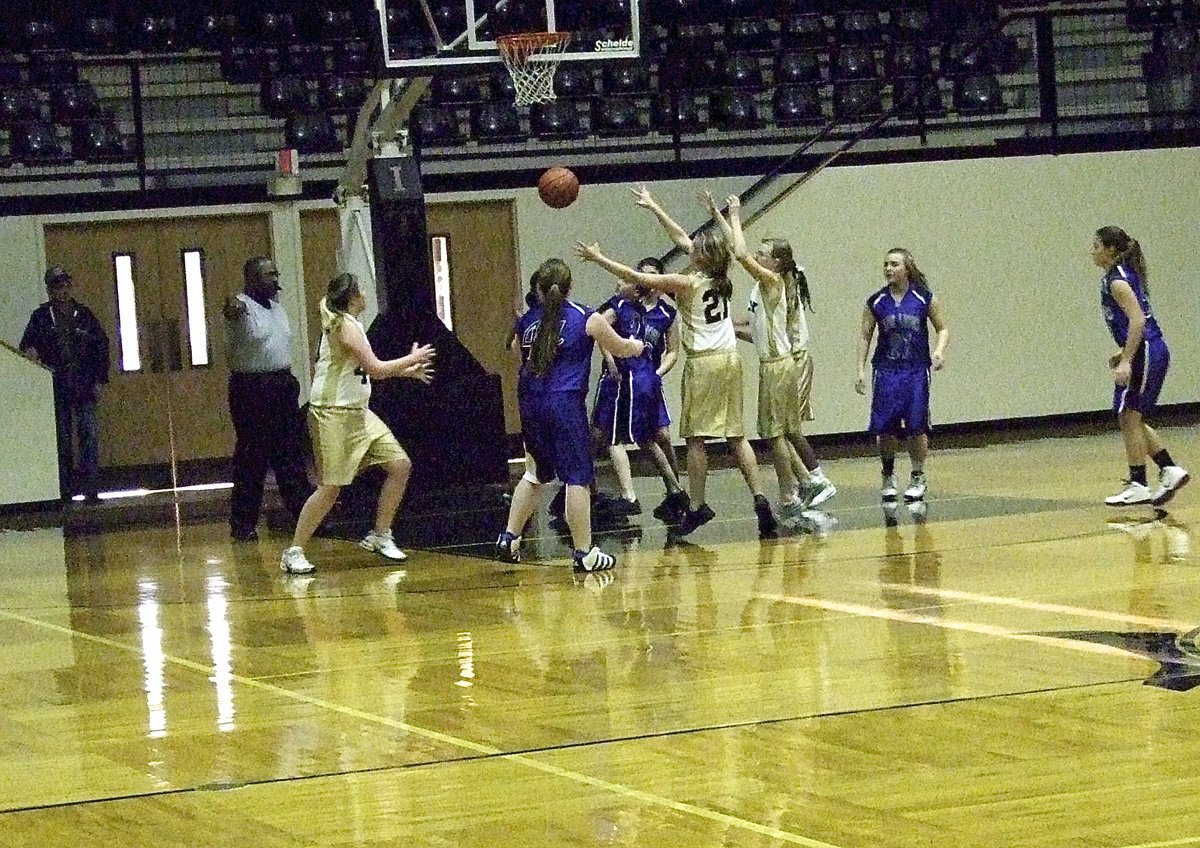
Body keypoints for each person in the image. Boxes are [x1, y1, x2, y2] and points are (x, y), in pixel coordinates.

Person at [574, 186, 777, 538]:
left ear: (699, 257)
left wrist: (598, 259)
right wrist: (655, 206)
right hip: (731, 360)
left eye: (694, 248)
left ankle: (696, 506)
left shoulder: (686, 283)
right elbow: (682, 237)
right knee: (736, 437)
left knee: (696, 440)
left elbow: (639, 279)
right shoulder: (721, 278)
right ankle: (760, 499)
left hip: (705, 364)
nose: (689, 247)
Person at [495, 258, 645, 572]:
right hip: (564, 404)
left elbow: (513, 351)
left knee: (535, 473)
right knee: (578, 478)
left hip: (530, 402)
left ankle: (509, 538)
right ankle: (584, 552)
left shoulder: (528, 321)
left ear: (537, 287)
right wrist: (636, 346)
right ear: (570, 286)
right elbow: (618, 347)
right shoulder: (585, 317)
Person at [280, 273, 436, 575]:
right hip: (332, 413)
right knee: (330, 488)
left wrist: (406, 372)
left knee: (400, 465)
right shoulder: (345, 326)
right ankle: (293, 551)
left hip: (358, 412)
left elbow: (361, 371)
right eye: (361, 290)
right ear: (352, 299)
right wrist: (410, 358)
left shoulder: (346, 320)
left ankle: (380, 534)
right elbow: (375, 370)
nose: (366, 293)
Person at [705, 192, 836, 516]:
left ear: (776, 262)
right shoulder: (764, 285)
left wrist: (735, 214)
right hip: (775, 363)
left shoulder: (772, 280)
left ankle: (793, 490)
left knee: (774, 433)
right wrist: (719, 217)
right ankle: (809, 481)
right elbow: (740, 249)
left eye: (763, 254)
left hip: (779, 365)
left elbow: (739, 252)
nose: (758, 256)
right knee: (784, 430)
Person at [1091, 226, 1189, 507]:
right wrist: (1123, 351)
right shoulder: (1115, 277)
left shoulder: (1118, 282)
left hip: (1147, 351)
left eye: (1097, 245)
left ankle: (1139, 483)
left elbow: (1138, 321)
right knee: (1129, 416)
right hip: (1144, 350)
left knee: (1129, 416)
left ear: (1110, 250)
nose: (1092, 251)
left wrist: (1126, 360)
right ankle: (1169, 468)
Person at [223, 256, 314, 541]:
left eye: (275, 273)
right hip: (251, 389)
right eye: (267, 275)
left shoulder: (277, 308)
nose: (275, 279)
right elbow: (231, 310)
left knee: (290, 454)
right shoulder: (241, 307)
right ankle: (243, 523)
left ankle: (305, 516)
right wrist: (231, 307)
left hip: (282, 385)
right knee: (253, 456)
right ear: (251, 279)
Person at [593, 259, 689, 522]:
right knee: (609, 436)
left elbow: (673, 351)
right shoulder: (624, 305)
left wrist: (657, 374)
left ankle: (674, 488)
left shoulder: (667, 315)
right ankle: (658, 491)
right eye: (642, 275)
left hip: (646, 380)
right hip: (619, 380)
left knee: (658, 436)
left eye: (652, 276)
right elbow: (598, 327)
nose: (646, 281)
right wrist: (611, 359)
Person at [855, 248, 949, 502]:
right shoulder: (876, 302)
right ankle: (888, 473)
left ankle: (917, 475)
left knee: (916, 426)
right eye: (885, 264)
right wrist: (860, 370)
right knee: (884, 426)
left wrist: (939, 352)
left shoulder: (924, 298)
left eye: (894, 264)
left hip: (916, 370)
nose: (888, 269)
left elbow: (942, 328)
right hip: (886, 370)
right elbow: (865, 335)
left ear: (907, 268)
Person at [19, 265, 111, 500]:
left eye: (66, 285)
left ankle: (91, 490)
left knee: (88, 436)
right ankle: (66, 490)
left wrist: (100, 379)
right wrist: (31, 350)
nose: (63, 291)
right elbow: (27, 345)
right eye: (58, 287)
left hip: (84, 383)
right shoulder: (40, 317)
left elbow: (101, 345)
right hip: (57, 385)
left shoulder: (85, 315)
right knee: (63, 440)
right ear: (50, 291)